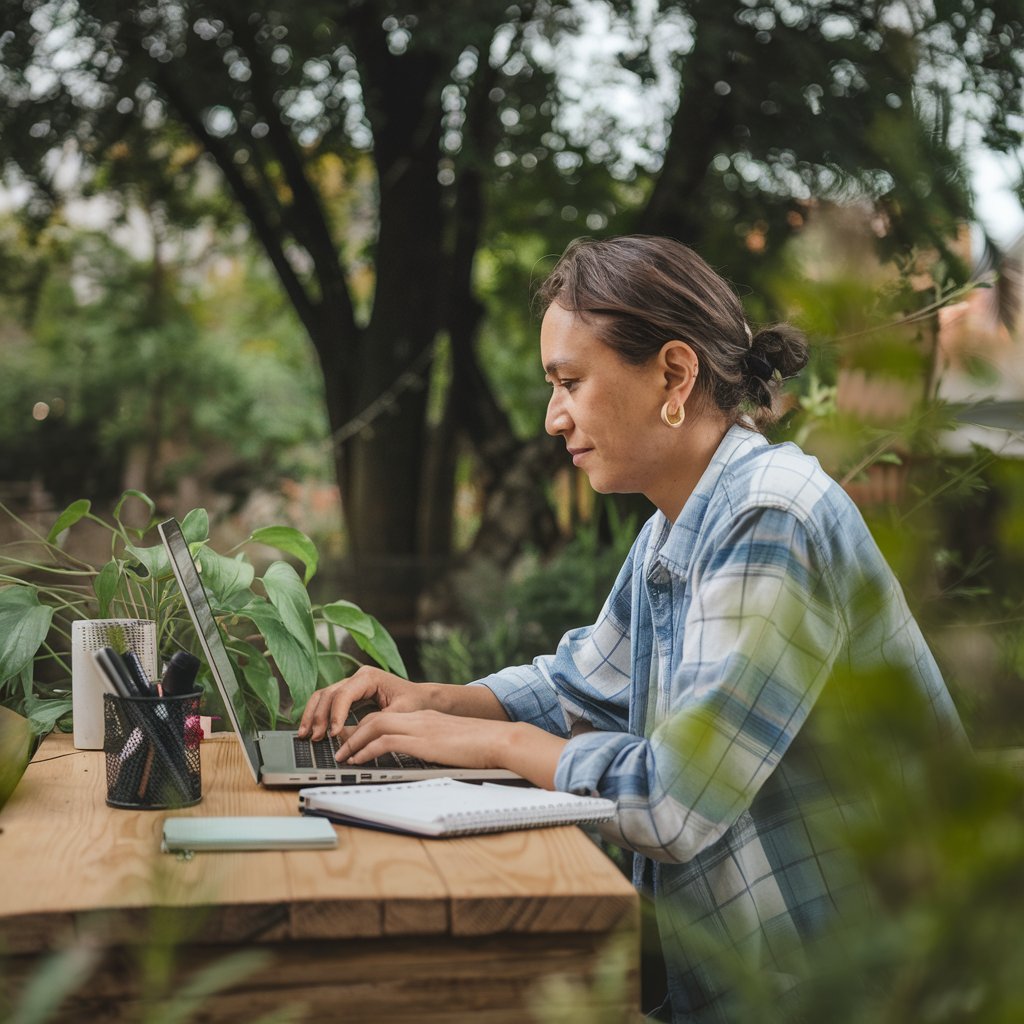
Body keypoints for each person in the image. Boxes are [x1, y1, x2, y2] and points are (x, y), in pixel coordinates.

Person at [298, 235, 966, 1022]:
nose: (553, 418)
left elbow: (671, 803)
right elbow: (581, 686)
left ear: (674, 376)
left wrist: (492, 744)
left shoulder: (770, 516)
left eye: (570, 382)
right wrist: (434, 701)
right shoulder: (677, 527)